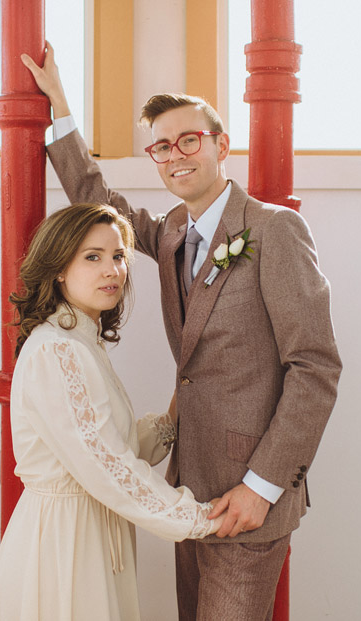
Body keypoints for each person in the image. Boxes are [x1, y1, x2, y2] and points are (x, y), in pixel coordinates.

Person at [22, 43, 342, 621]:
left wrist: (262, 487)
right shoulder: (171, 233)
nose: (176, 155)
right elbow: (101, 211)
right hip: (187, 489)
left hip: (250, 503)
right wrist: (60, 109)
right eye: (162, 147)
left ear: (221, 146)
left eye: (189, 139)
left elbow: (315, 370)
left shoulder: (275, 230)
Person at [0, 203, 223, 621]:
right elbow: (107, 467)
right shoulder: (57, 350)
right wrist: (201, 519)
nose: (112, 270)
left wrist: (177, 409)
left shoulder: (80, 341)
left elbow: (110, 444)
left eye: (118, 257)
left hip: (91, 531)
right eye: (92, 257)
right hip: (66, 543)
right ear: (59, 268)